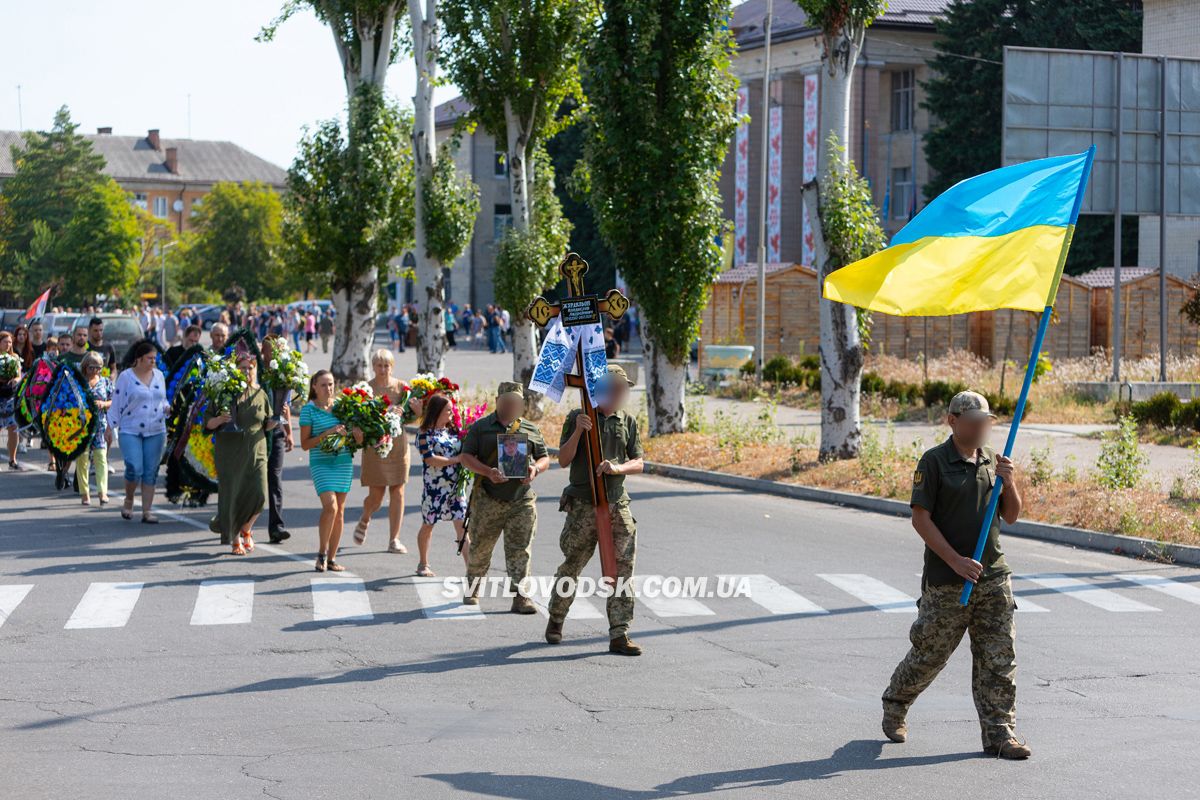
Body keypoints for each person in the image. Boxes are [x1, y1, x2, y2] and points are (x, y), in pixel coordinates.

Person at [881, 390, 1030, 760]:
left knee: (999, 657)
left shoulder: (994, 460)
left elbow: (1011, 515)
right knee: (931, 652)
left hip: (992, 575)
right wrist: (955, 561)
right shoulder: (934, 462)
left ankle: (1000, 734)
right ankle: (896, 703)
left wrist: (1008, 481)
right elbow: (920, 518)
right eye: (974, 422)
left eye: (986, 422)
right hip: (948, 580)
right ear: (953, 421)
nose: (982, 428)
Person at [546, 365, 645, 656]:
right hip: (583, 504)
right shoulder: (579, 416)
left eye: (622, 389)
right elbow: (563, 460)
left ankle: (619, 632)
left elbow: (639, 462)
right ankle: (556, 618)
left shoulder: (626, 420)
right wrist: (578, 431)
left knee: (622, 569)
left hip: (616, 502)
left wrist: (617, 467)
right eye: (613, 388)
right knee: (573, 564)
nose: (618, 393)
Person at [458, 382, 549, 612]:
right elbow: (466, 457)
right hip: (489, 498)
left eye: (516, 402)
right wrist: (488, 471)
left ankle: (521, 597)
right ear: (498, 401)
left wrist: (535, 469)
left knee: (520, 549)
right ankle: (473, 589)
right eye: (507, 401)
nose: (511, 406)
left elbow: (544, 458)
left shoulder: (529, 428)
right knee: (480, 547)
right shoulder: (481, 428)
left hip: (521, 499)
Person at [204, 351, 277, 554]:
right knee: (233, 494)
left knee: (260, 494)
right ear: (235, 370)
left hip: (256, 448)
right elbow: (208, 422)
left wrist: (277, 419)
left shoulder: (260, 393)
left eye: (250, 367)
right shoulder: (224, 391)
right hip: (229, 451)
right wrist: (220, 420)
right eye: (242, 367)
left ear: (255, 369)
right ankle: (235, 537)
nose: (246, 371)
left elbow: (266, 423)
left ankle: (247, 528)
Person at [299, 370, 362, 572]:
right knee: (331, 507)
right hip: (321, 463)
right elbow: (305, 444)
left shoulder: (342, 407)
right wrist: (327, 433)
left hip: (342, 462)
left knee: (340, 511)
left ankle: (332, 558)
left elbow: (354, 440)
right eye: (324, 385)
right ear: (314, 387)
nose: (329, 388)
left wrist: (357, 435)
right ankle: (321, 553)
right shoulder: (308, 410)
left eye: (331, 384)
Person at [352, 349, 411, 553]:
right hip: (375, 447)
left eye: (386, 365)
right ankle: (366, 517)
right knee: (376, 495)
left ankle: (394, 539)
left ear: (392, 366)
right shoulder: (366, 389)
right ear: (373, 366)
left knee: (398, 491)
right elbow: (357, 417)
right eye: (379, 365)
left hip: (398, 446)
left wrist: (407, 412)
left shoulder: (402, 388)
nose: (383, 369)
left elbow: (412, 418)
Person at [111, 340, 169, 523]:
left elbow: (163, 400)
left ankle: (147, 511)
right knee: (134, 468)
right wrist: (109, 426)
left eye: (155, 359)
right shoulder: (126, 377)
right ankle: (129, 500)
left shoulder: (159, 376)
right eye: (150, 358)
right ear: (139, 359)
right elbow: (117, 403)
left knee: (150, 471)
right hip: (130, 429)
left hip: (156, 429)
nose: (153, 362)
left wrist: (168, 408)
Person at [413, 393, 470, 577]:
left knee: (462, 526)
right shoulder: (423, 434)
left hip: (456, 488)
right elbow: (429, 459)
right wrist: (456, 459)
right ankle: (423, 563)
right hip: (434, 489)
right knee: (428, 524)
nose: (451, 414)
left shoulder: (453, 431)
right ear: (437, 411)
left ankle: (471, 569)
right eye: (448, 410)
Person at [259, 336, 294, 544]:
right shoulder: (256, 373)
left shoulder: (284, 373)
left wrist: (288, 431)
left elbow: (285, 405)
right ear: (263, 351)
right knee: (254, 481)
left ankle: (277, 527)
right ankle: (243, 525)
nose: (274, 353)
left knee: (275, 478)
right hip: (257, 432)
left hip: (278, 431)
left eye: (278, 350)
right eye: (270, 350)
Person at [75, 351, 113, 506]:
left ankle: (102, 492)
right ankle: (85, 494)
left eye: (99, 367)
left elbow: (113, 400)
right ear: (85, 367)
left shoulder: (105, 382)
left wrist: (104, 404)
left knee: (101, 458)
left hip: (100, 426)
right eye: (92, 367)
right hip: (81, 426)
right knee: (82, 459)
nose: (96, 371)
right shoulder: (78, 382)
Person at [0, 331, 22, 471]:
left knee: (13, 427)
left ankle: (12, 459)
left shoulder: (14, 357)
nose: (8, 344)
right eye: (5, 341)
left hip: (10, 396)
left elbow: (19, 375)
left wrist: (15, 380)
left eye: (10, 342)